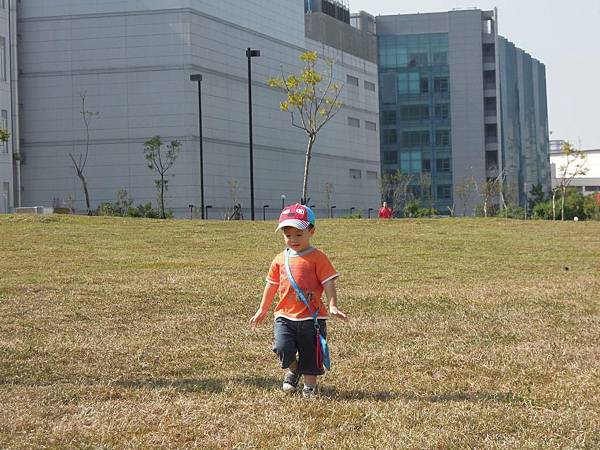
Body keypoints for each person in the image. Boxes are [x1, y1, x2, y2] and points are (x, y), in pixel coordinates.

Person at [249, 203, 348, 397]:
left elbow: (329, 283)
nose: (293, 240)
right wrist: (262, 309)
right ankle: (293, 368)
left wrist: (333, 305)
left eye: (299, 235)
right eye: (288, 235)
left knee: (311, 353)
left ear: (311, 231)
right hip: (284, 316)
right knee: (282, 347)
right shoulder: (279, 259)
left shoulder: (318, 258)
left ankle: (309, 386)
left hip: (312, 318)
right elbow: (271, 285)